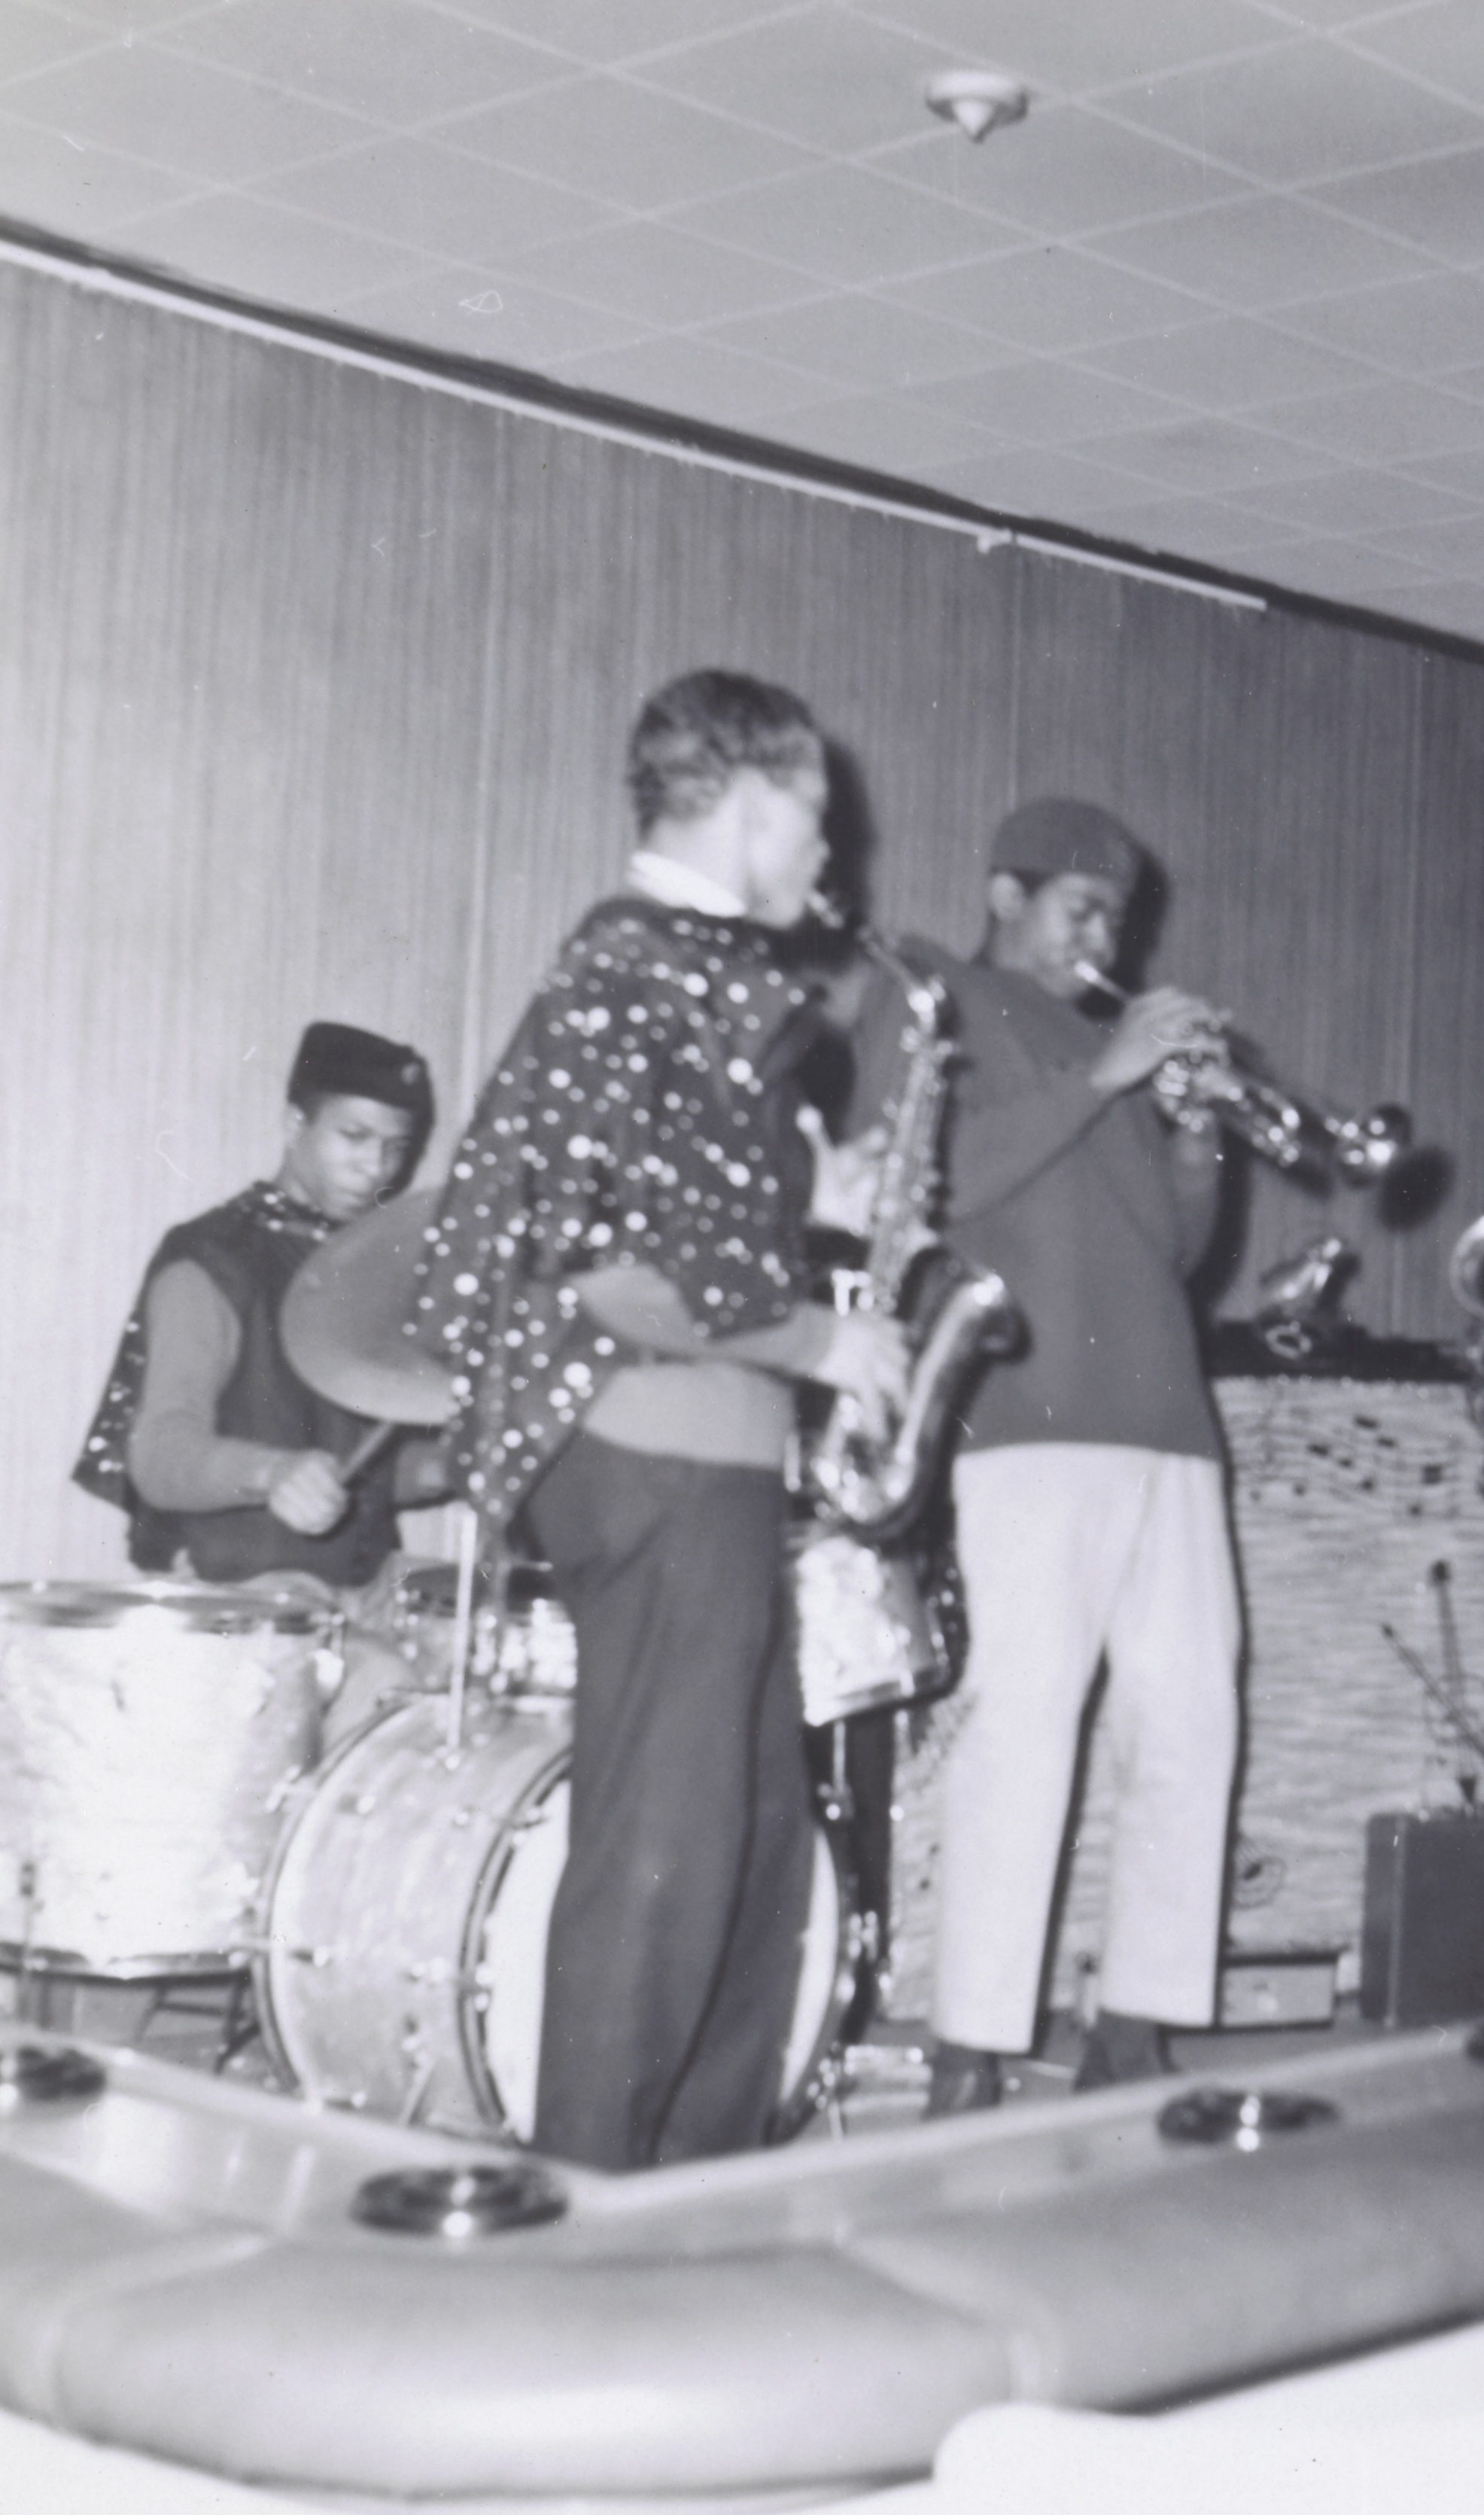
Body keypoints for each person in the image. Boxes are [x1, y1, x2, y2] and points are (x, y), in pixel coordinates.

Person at [409, 669, 900, 2173]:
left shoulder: (655, 973)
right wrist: (828, 1335)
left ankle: (691, 2183)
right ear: (748, 807)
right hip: (662, 1449)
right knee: (669, 1848)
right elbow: (614, 1269)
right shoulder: (661, 971)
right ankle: (590, 2195)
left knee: (751, 1840)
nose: (830, 852)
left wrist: (813, 1198)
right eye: (813, 818)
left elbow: (658, 1212)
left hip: (686, 1454)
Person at [858, 798, 1236, 2117]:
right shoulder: (937, 998)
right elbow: (932, 1182)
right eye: (1083, 908)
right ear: (1005, 893)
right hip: (1024, 1416)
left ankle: (1138, 2019)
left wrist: (1196, 1134)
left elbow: (1177, 1251)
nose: (1104, 940)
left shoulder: (1107, 1046)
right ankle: (971, 2045)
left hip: (1170, 1418)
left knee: (1190, 1719)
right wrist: (1107, 1077)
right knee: (1019, 1729)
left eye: (1119, 919)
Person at [76, 1021, 439, 1591]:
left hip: (355, 1600)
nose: (377, 1168)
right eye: (354, 1136)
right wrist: (274, 1473)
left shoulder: (368, 1268)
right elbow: (160, 1454)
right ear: (294, 1125)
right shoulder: (212, 1259)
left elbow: (364, 1477)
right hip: (228, 1605)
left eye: (396, 1148)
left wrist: (452, 1466)